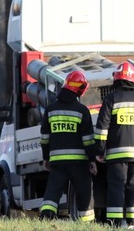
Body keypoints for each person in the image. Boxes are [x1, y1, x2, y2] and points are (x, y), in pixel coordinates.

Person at [94, 61, 134, 228]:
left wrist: (99, 151)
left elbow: (102, 128)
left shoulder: (111, 99)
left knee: (116, 187)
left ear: (117, 78)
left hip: (116, 154)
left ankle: (114, 223)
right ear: (133, 79)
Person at [38, 70, 97, 222]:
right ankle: (87, 223)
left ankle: (45, 218)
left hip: (57, 161)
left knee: (53, 191)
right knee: (84, 191)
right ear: (79, 89)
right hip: (79, 163)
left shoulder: (50, 110)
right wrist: (92, 160)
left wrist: (46, 158)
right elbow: (88, 140)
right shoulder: (82, 111)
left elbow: (44, 138)